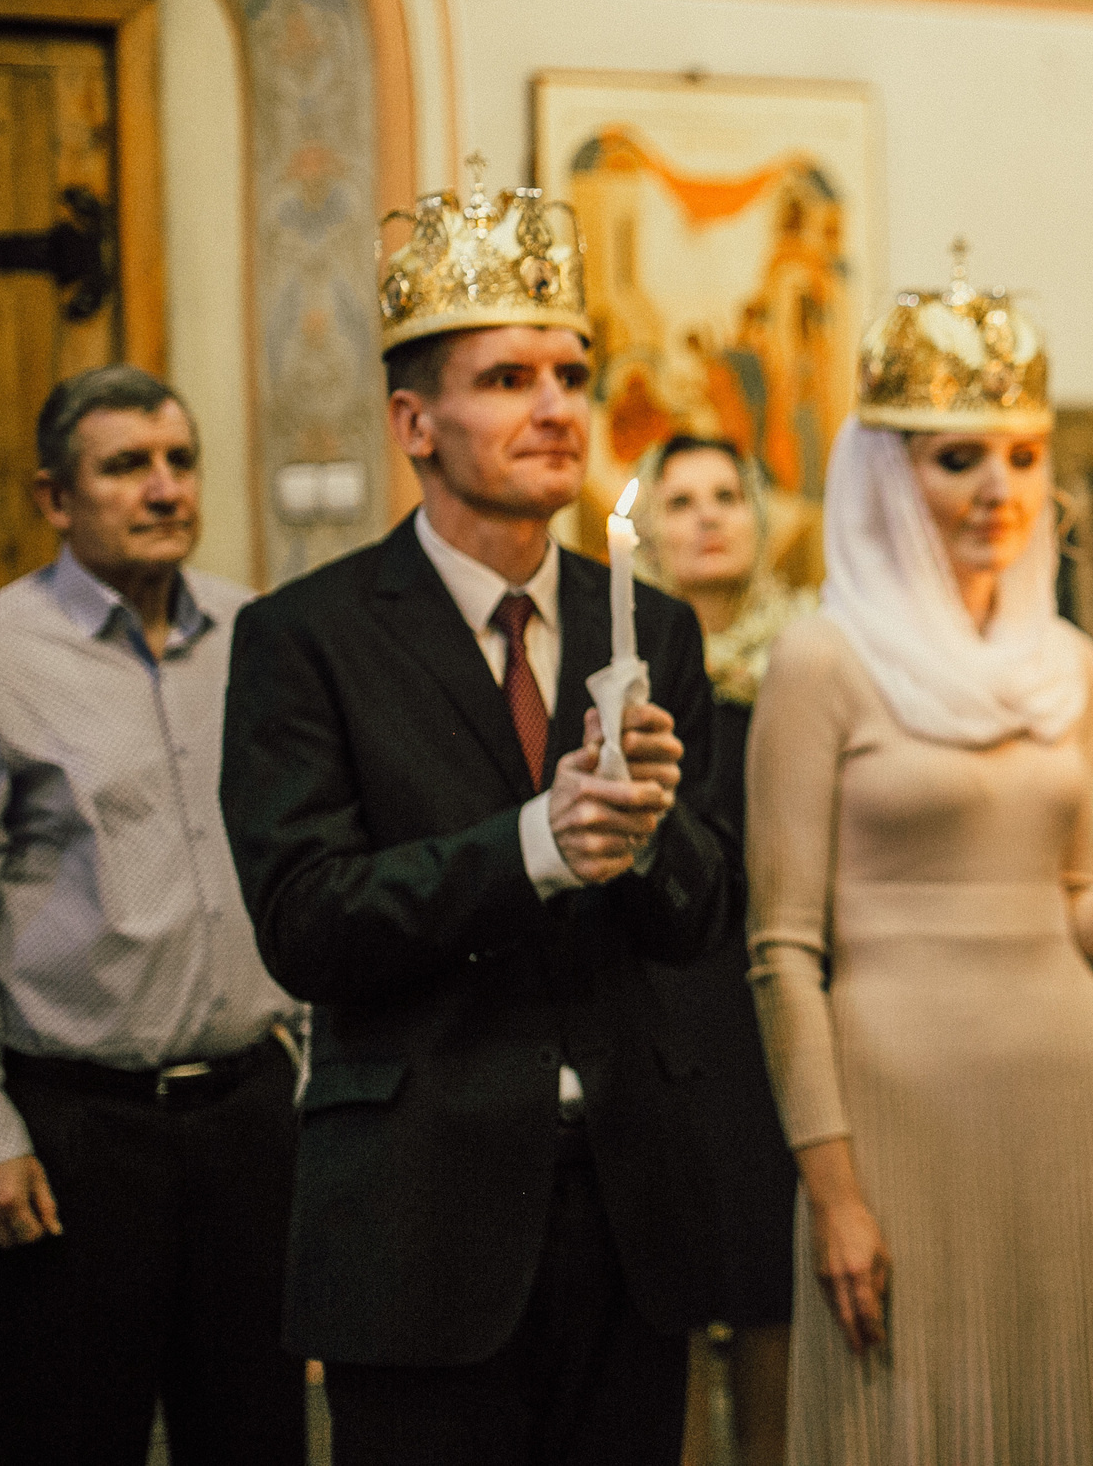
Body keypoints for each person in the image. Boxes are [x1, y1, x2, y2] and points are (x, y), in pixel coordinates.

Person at [219, 167, 742, 1465]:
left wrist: (651, 823)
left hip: (629, 1196)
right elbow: (305, 919)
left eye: (570, 374)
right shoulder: (308, 636)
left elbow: (700, 913)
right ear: (415, 418)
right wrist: (536, 846)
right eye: (510, 379)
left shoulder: (653, 624)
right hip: (421, 1205)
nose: (558, 405)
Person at [745, 254, 1093, 1464]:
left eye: (1024, 456)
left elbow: (1067, 917)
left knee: (1065, 1407)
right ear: (887, 477)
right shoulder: (822, 663)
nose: (1001, 487)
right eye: (957, 458)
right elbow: (780, 949)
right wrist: (830, 1190)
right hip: (898, 1108)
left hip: (1067, 1087)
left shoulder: (1071, 668)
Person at [0, 365, 307, 1465]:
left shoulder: (262, 631)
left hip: (251, 1118)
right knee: (69, 1437)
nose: (164, 490)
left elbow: (304, 865)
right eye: (126, 468)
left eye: (180, 461)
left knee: (256, 1435)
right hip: (76, 1134)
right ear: (56, 498)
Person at [632, 435, 808, 1466]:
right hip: (661, 1004)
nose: (707, 516)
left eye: (726, 496)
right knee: (670, 1294)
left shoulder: (811, 657)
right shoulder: (624, 672)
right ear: (649, 526)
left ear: (760, 517)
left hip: (774, 1000)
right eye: (682, 499)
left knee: (773, 1282)